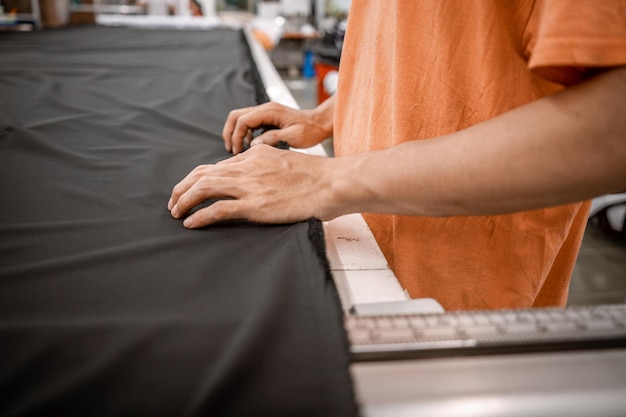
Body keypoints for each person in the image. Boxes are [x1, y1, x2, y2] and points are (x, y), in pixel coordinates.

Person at [168, 1, 626, 311]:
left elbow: (612, 127)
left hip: (458, 296)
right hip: (362, 243)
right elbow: (432, 42)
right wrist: (327, 114)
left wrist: (326, 181)